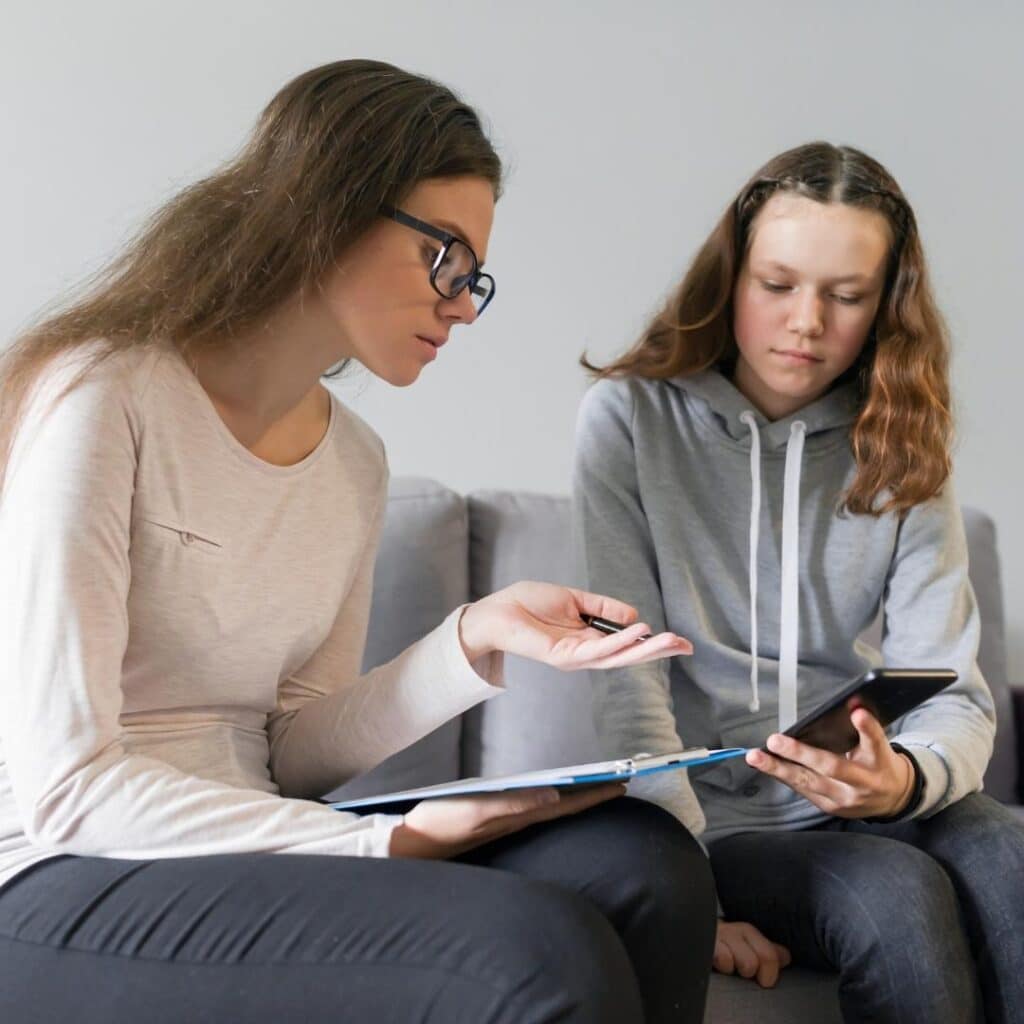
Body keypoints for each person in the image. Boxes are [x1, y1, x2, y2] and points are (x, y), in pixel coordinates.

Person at [0, 60, 717, 1024]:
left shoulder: (354, 463)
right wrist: (387, 845)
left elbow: (289, 753)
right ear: (327, 210)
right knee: (535, 952)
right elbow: (68, 787)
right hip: (58, 868)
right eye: (446, 257)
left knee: (646, 864)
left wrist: (475, 638)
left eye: (477, 277)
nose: (464, 303)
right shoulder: (104, 397)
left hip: (252, 838)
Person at [574, 141, 1024, 1023]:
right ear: (729, 277)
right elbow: (628, 682)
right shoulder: (629, 420)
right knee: (892, 896)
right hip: (725, 819)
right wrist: (688, 882)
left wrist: (903, 782)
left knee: (1009, 856)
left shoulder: (903, 440)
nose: (807, 321)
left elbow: (958, 698)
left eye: (846, 296)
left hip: (876, 793)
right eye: (777, 285)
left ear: (884, 304)